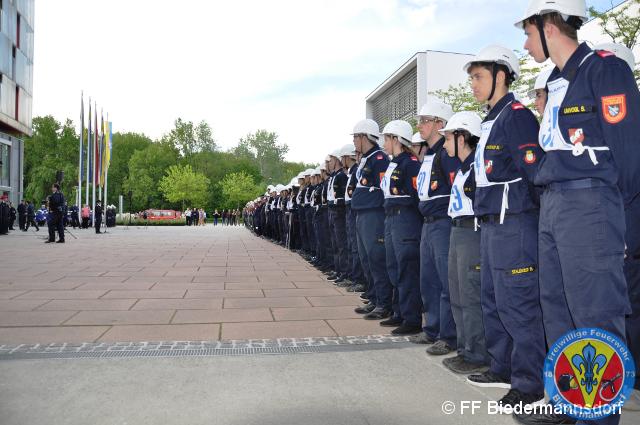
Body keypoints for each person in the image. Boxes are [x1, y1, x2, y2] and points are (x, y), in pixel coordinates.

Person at [515, 2, 639, 423]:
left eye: (528, 33)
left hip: (590, 203)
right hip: (553, 202)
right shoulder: (555, 82)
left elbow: (629, 154)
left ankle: (599, 417)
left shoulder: (603, 69)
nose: (526, 44)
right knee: (557, 309)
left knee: (595, 312)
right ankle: (570, 404)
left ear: (549, 25)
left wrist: (624, 223)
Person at [463, 44, 546, 411]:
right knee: (494, 301)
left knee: (519, 305)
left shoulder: (517, 117)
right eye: (471, 78)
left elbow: (535, 174)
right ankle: (503, 368)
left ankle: (529, 384)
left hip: (515, 225)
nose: (473, 84)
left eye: (478, 76)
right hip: (491, 225)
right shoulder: (490, 122)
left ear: (501, 76)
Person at [440, 111, 490, 375]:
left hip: (472, 231)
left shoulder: (477, 166)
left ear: (463, 138)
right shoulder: (461, 168)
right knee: (457, 294)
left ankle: (477, 353)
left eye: (448, 138)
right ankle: (465, 348)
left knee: (470, 295)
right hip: (457, 230)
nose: (445, 144)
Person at [413, 98, 459, 355]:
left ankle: (448, 335)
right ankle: (432, 328)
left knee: (444, 281)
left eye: (425, 120)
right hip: (428, 223)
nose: (420, 125)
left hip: (443, 222)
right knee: (428, 279)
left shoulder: (446, 153)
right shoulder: (430, 154)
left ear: (440, 124)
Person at [379, 120, 423, 335]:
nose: (384, 143)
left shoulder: (410, 163)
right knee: (393, 267)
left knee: (407, 268)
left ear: (396, 139)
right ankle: (399, 311)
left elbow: (416, 195)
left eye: (387, 139)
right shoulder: (393, 163)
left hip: (405, 219)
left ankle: (412, 318)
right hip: (391, 217)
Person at [351, 119, 394, 320]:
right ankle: (374, 297)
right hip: (362, 214)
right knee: (366, 259)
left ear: (364, 137)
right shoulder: (366, 159)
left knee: (376, 258)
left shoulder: (379, 158)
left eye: (356, 137)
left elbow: (384, 189)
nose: (353, 141)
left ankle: (384, 303)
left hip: (374, 215)